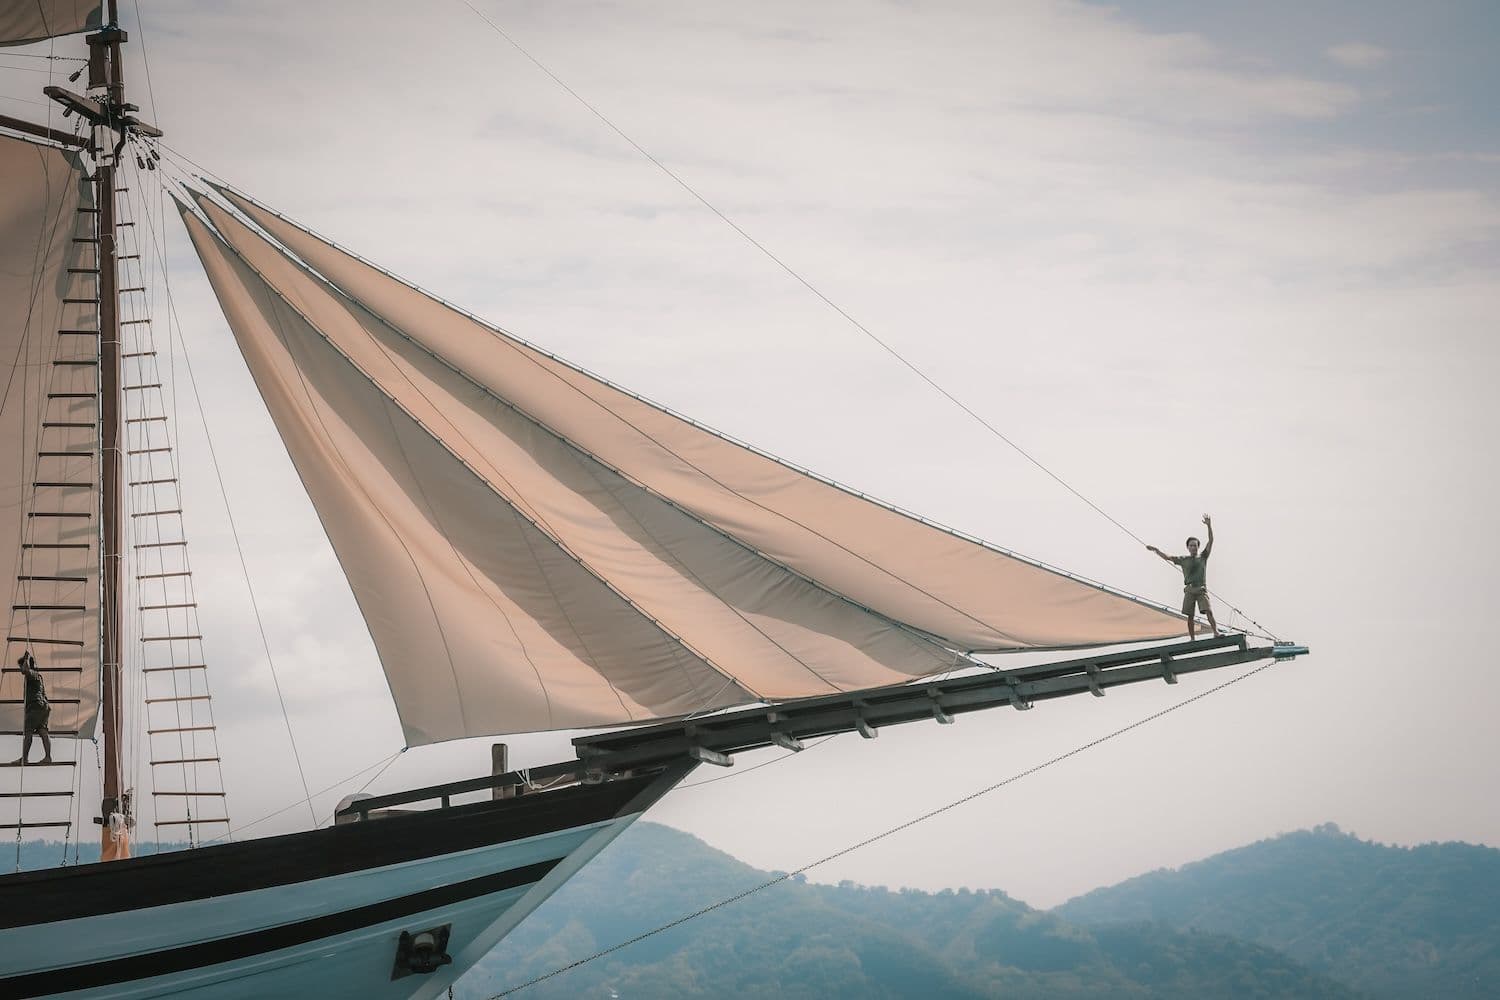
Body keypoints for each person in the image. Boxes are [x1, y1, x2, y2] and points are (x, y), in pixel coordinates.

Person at [1147, 514, 1218, 639]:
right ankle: (1192, 638)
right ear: (1188, 547)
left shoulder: (1203, 557)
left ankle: (1216, 632)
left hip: (1201, 589)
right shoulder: (1183, 559)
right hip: (1190, 589)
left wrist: (1209, 526)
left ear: (1198, 547)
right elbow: (1168, 557)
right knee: (1190, 615)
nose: (1193, 547)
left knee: (1208, 610)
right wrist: (1156, 550)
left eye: (1195, 545)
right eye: (1191, 545)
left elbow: (1211, 541)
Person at [12, 650, 52, 766]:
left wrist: (25, 658)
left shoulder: (32, 674)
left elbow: (25, 670)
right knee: (43, 731)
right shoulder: (39, 676)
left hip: (34, 707)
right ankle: (48, 757)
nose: (21, 669)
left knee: (28, 732)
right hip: (44, 707)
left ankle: (24, 758)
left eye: (21, 666)